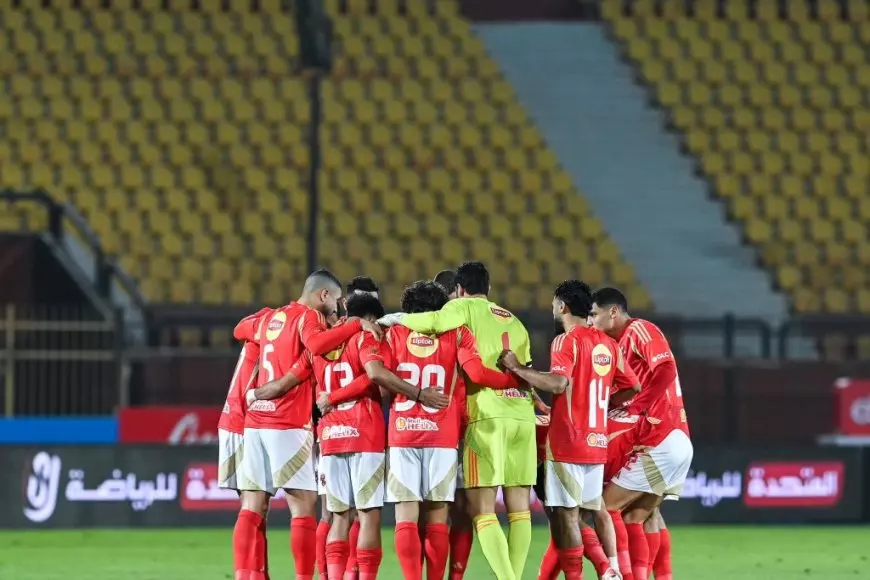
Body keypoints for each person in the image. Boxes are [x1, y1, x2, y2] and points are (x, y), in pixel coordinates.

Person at [380, 261, 535, 580]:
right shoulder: (508, 323)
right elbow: (508, 371)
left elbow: (383, 378)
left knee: (449, 513)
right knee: (512, 512)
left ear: (460, 292)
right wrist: (521, 384)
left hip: (461, 422)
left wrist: (394, 319)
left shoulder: (435, 322)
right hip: (498, 420)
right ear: (488, 288)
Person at [233, 269, 382, 580]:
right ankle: (304, 577)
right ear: (323, 295)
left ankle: (246, 575)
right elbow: (316, 346)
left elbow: (239, 330)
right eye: (338, 300)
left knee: (252, 505)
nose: (340, 307)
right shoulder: (308, 316)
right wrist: (356, 323)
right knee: (303, 506)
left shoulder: (270, 317)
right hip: (286, 420)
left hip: (255, 420)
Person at [499, 280, 640, 580]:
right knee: (590, 512)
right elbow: (633, 386)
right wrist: (599, 407)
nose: (552, 308)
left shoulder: (566, 341)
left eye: (553, 303)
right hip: (596, 442)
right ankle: (609, 569)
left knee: (566, 518)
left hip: (568, 444)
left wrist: (517, 368)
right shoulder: (608, 344)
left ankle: (580, 575)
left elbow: (558, 383)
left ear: (562, 306)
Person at [589, 287, 692, 580]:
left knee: (606, 508)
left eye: (595, 314)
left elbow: (667, 368)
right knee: (642, 516)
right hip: (669, 438)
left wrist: (640, 405)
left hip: (661, 438)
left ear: (613, 312)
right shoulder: (615, 347)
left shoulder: (641, 329)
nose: (591, 321)